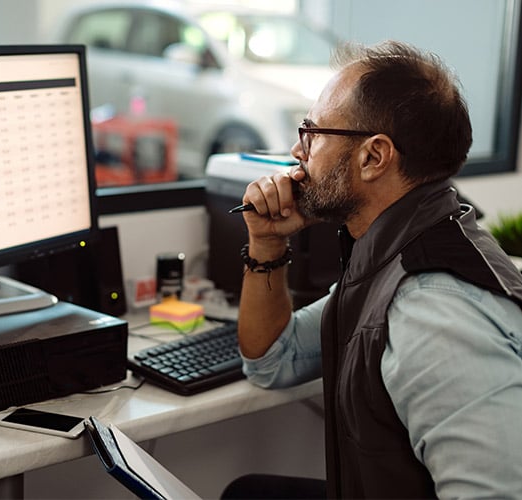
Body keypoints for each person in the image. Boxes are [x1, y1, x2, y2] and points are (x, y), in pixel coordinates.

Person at [224, 40, 522, 499]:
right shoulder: (393, 253)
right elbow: (271, 361)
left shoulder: (432, 313)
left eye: (313, 133)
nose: (296, 150)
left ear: (374, 157)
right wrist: (267, 241)